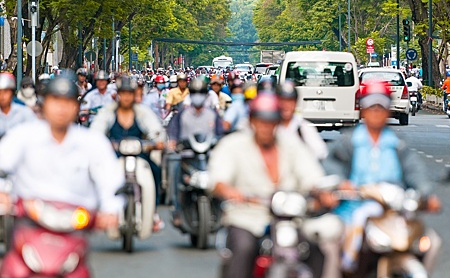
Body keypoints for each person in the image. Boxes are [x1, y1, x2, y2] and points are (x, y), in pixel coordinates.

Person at [0, 76, 124, 272]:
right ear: (44, 104)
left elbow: (111, 181)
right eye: (55, 101)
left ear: (76, 106)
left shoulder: (92, 143)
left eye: (67, 102)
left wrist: (111, 209)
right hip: (29, 220)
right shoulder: (24, 136)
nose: (61, 108)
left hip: (75, 224)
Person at [323, 80, 441, 275]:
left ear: (388, 111)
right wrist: (339, 183)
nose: (376, 112)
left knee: (432, 242)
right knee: (330, 243)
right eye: (371, 107)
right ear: (363, 110)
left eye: (381, 107)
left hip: (394, 212)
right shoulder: (348, 142)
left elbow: (415, 171)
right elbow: (331, 165)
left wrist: (426, 195)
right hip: (353, 210)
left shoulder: (397, 144)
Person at [208, 93, 328, 278]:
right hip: (247, 216)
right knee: (243, 248)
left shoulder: (292, 145)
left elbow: (312, 175)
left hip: (289, 219)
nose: (266, 126)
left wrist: (321, 192)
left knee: (315, 249)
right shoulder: (233, 145)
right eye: (261, 120)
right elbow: (218, 178)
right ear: (251, 120)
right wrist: (228, 190)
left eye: (271, 121)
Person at [91, 76, 167, 231]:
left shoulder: (142, 112)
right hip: (114, 156)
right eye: (123, 93)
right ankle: (100, 210)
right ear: (118, 94)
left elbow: (155, 130)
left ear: (134, 95)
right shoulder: (108, 111)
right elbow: (96, 130)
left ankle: (153, 212)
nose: (126, 97)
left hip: (140, 155)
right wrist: (101, 144)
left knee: (156, 171)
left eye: (129, 93)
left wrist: (157, 141)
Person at [167, 77, 223, 226]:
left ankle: (223, 210)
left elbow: (220, 133)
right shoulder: (182, 114)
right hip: (187, 157)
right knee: (175, 173)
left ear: (206, 94)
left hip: (208, 158)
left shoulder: (213, 115)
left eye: (201, 92)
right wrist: (172, 143)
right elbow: (173, 133)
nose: (198, 95)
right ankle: (177, 210)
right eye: (195, 92)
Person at [276, 80, 328, 161]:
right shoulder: (270, 126)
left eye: (290, 101)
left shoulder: (304, 129)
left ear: (296, 103)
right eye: (282, 100)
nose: (286, 105)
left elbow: (320, 153)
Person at [0, 73, 36, 138]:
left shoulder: (25, 113)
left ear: (12, 92)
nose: (2, 96)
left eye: (6, 92)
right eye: (0, 92)